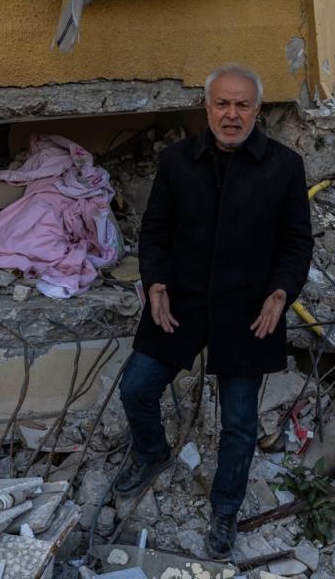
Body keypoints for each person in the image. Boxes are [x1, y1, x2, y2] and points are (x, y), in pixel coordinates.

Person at [115, 64, 314, 560]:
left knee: (240, 423)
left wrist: (281, 293)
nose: (231, 114)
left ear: (256, 110)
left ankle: (226, 507)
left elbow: (296, 243)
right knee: (136, 387)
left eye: (242, 104)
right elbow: (155, 230)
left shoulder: (284, 166)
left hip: (249, 309)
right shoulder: (178, 161)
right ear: (207, 108)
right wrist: (155, 280)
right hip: (180, 301)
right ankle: (152, 452)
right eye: (222, 104)